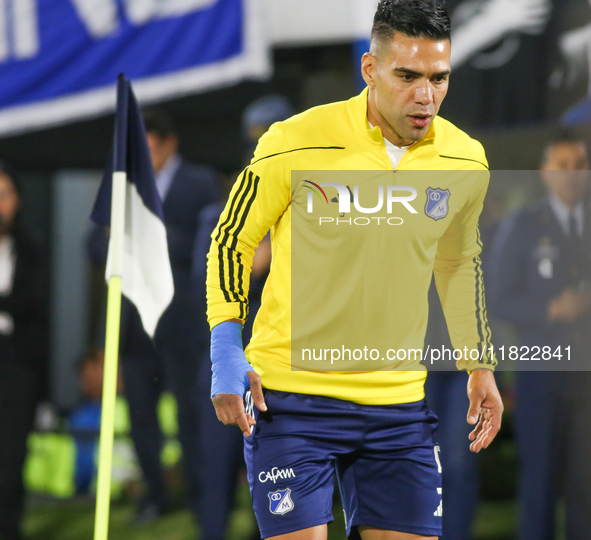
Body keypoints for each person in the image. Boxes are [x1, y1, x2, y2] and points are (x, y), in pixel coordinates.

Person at [206, 1, 504, 539]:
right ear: (370, 69)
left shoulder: (466, 159)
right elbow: (231, 241)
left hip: (397, 405)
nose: (425, 95)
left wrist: (478, 365)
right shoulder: (292, 140)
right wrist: (226, 346)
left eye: (439, 78)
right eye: (407, 76)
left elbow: (459, 262)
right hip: (290, 401)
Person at [90, 108, 221, 523]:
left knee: (190, 415)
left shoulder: (200, 182)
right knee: (141, 416)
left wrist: (146, 231)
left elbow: (210, 243)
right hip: (132, 325)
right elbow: (93, 246)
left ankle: (203, 497)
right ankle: (155, 495)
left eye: (146, 150)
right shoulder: (119, 186)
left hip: (182, 323)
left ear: (169, 144)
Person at [488, 135, 591, 540]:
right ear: (546, 172)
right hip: (541, 374)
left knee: (586, 485)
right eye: (562, 165)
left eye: (579, 164)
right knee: (540, 484)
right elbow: (498, 298)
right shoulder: (524, 225)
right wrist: (549, 310)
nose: (572, 174)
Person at [0, 163, 48, 540]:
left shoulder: (32, 247)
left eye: (5, 195)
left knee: (11, 455)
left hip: (17, 364)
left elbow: (34, 302)